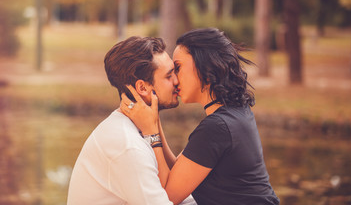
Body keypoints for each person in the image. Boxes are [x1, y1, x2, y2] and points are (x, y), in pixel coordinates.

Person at [121, 28, 280, 205]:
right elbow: (178, 171)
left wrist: (151, 133)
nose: (174, 79)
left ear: (205, 65)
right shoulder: (236, 112)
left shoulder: (217, 127)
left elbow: (165, 197)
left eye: (178, 68)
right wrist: (154, 120)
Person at [67, 36, 196, 205]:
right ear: (142, 87)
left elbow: (179, 192)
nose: (177, 81)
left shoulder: (135, 128)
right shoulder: (127, 145)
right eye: (169, 76)